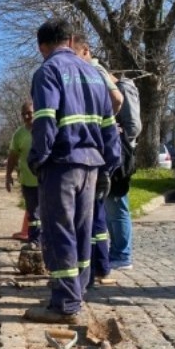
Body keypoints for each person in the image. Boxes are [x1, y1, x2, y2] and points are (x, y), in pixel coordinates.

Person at [24, 18, 121, 323]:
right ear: (70, 40)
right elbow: (109, 126)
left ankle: (64, 305)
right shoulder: (94, 74)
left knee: (59, 232)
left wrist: (38, 158)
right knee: (82, 233)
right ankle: (75, 294)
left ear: (43, 46)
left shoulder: (48, 71)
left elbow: (45, 121)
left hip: (62, 164)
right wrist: (109, 165)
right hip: (92, 165)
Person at [71, 33, 121, 286]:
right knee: (95, 218)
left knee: (89, 218)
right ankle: (99, 269)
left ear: (85, 51)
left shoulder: (93, 70)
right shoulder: (91, 71)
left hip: (96, 155)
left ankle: (91, 273)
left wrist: (102, 123)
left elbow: (117, 100)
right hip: (99, 155)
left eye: (74, 53)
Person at [107, 74, 142, 270]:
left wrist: (122, 139)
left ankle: (122, 254)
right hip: (112, 152)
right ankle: (116, 251)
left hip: (120, 154)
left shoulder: (122, 87)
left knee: (117, 205)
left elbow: (134, 125)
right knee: (110, 207)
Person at [6, 101, 40, 247]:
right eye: (24, 114)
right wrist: (8, 176)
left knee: (48, 213)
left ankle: (47, 242)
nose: (27, 116)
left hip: (47, 181)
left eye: (30, 112)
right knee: (33, 213)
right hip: (28, 181)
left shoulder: (45, 129)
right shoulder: (19, 134)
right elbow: (13, 156)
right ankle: (34, 241)